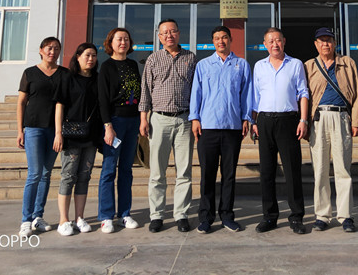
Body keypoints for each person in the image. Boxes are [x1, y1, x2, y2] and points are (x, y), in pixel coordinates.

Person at [189, 25, 252, 234]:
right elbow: (196, 93)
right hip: (207, 127)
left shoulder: (241, 65)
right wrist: (195, 118)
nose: (221, 41)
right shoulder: (203, 65)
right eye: (217, 38)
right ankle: (206, 217)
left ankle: (227, 215)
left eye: (224, 37)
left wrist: (246, 117)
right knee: (207, 174)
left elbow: (247, 94)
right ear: (213, 42)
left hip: (232, 126)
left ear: (230, 39)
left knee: (229, 174)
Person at [304, 27, 358, 233]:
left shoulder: (347, 63)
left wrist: (357, 121)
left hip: (341, 117)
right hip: (318, 118)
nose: (325, 44)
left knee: (343, 169)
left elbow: (357, 93)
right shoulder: (309, 65)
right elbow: (303, 95)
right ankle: (322, 215)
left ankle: (345, 215)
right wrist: (304, 122)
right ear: (315, 44)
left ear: (335, 43)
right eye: (321, 41)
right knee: (320, 169)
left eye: (329, 40)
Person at [139, 19, 196, 233]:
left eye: (172, 31)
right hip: (159, 120)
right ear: (159, 37)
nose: (169, 35)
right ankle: (157, 215)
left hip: (184, 120)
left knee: (184, 171)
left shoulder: (190, 58)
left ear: (179, 34)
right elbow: (145, 91)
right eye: (165, 32)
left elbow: (197, 90)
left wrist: (196, 118)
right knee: (157, 172)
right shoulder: (153, 59)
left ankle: (181, 214)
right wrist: (143, 119)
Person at [251, 27, 309, 235]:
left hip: (288, 120)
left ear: (284, 41)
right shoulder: (259, 66)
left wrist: (303, 120)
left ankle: (296, 217)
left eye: (278, 40)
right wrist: (254, 121)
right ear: (264, 44)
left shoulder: (295, 64)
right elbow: (255, 96)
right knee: (267, 171)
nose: (274, 44)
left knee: (292, 170)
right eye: (270, 41)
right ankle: (269, 216)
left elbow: (303, 92)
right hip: (265, 121)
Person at [16, 36, 71, 238]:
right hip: (34, 128)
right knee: (34, 174)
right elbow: (21, 102)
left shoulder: (64, 74)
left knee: (46, 174)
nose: (52, 52)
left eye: (56, 49)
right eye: (49, 48)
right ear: (41, 50)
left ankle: (38, 216)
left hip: (54, 130)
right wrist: (20, 130)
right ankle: (26, 220)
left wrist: (59, 132)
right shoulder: (30, 73)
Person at [53, 42, 102, 237]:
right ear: (78, 57)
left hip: (91, 135)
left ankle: (79, 217)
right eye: (87, 55)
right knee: (68, 175)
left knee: (84, 176)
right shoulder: (68, 78)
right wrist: (58, 133)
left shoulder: (97, 79)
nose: (91, 59)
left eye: (94, 55)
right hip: (71, 135)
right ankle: (63, 220)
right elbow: (59, 106)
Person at [97, 28, 141, 234]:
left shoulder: (133, 65)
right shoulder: (106, 67)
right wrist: (108, 126)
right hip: (114, 122)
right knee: (109, 170)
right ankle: (106, 216)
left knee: (126, 170)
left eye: (126, 39)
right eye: (119, 39)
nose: (123, 42)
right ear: (111, 43)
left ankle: (124, 213)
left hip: (133, 121)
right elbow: (103, 99)